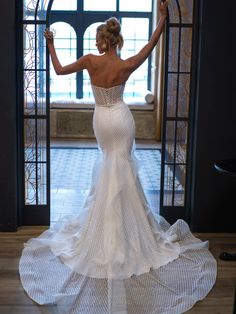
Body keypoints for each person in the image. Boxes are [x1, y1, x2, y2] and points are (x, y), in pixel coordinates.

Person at [19, 1, 217, 313]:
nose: (95, 41)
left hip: (102, 120)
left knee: (108, 170)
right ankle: (129, 236)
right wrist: (162, 19)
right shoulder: (125, 65)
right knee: (122, 170)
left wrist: (51, 42)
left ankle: (108, 237)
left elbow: (57, 70)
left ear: (104, 40)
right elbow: (151, 46)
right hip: (122, 119)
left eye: (98, 37)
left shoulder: (89, 61)